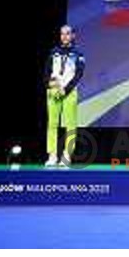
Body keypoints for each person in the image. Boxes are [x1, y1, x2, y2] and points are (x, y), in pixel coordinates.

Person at [44, 25, 85, 167]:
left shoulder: (78, 53)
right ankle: (52, 155)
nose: (64, 36)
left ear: (73, 35)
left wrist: (66, 89)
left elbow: (79, 74)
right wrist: (50, 85)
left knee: (70, 125)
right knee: (52, 124)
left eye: (67, 34)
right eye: (62, 34)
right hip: (53, 91)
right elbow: (47, 71)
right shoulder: (54, 52)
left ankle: (67, 156)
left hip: (69, 92)